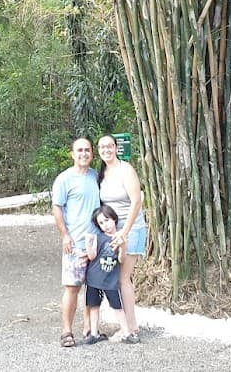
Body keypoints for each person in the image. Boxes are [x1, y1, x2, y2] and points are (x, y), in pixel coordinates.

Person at [96, 133, 145, 344]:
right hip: (113, 231)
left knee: (123, 279)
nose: (106, 150)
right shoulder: (103, 173)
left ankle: (131, 328)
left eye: (109, 146)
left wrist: (124, 232)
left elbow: (136, 202)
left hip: (131, 228)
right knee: (118, 279)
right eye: (102, 147)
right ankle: (128, 325)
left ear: (116, 148)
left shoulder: (126, 170)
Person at [52, 137, 100, 348]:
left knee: (93, 287)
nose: (83, 154)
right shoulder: (64, 179)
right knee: (72, 288)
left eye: (87, 150)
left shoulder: (96, 176)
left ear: (92, 153)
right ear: (72, 154)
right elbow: (57, 208)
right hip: (75, 243)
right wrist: (64, 235)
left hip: (96, 243)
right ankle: (66, 331)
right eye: (79, 150)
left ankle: (89, 328)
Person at [82, 204, 129, 344]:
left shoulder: (119, 238)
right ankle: (94, 334)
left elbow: (121, 259)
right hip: (94, 278)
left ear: (114, 219)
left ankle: (127, 333)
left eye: (107, 220)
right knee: (94, 305)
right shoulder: (98, 237)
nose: (105, 225)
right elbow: (92, 256)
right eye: (101, 223)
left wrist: (123, 247)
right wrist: (88, 243)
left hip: (110, 280)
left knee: (117, 306)